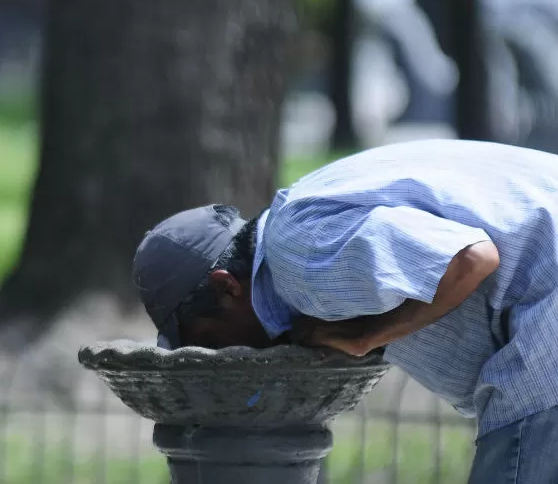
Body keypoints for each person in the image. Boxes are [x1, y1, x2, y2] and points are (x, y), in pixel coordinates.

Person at [133, 139, 558, 484]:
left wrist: (366, 338)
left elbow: (470, 259)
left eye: (210, 341)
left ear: (227, 286)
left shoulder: (294, 255)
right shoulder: (304, 216)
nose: (223, 357)